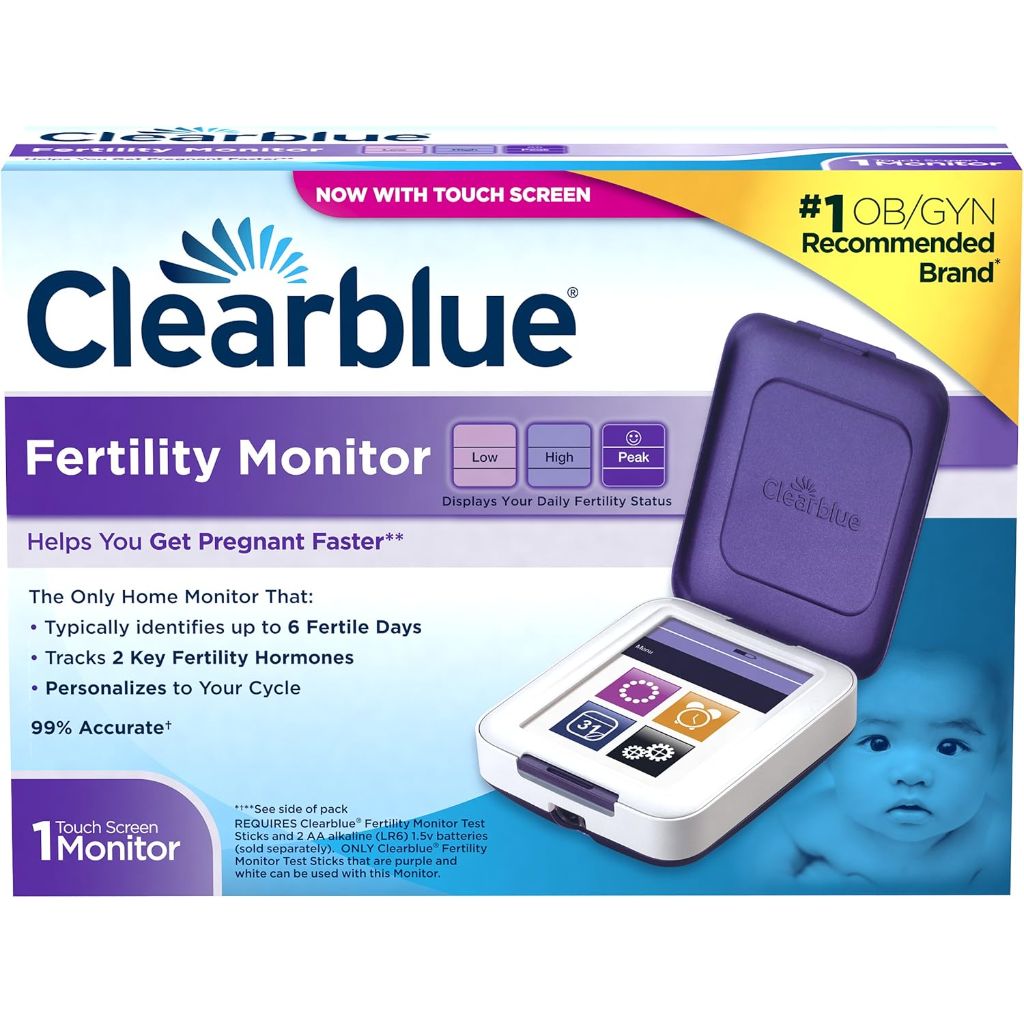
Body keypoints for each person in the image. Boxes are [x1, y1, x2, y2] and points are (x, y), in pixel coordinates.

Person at [761, 649, 1009, 891]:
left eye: (949, 747)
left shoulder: (995, 841)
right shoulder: (819, 821)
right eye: (877, 743)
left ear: (995, 759)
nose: (912, 774)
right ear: (828, 753)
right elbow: (764, 867)